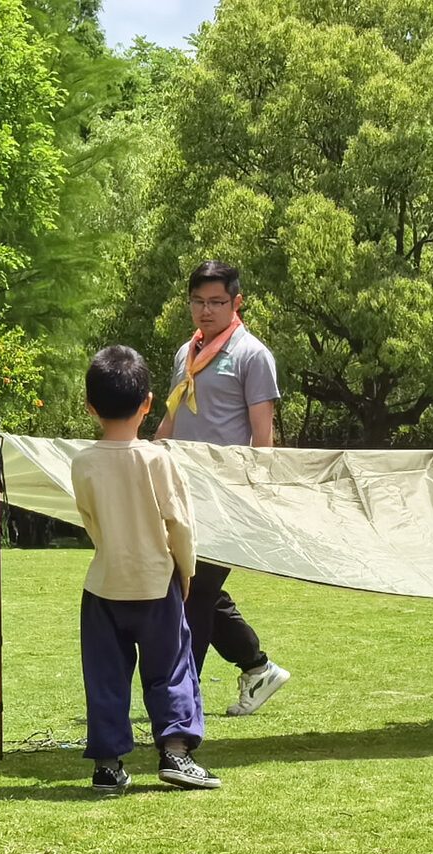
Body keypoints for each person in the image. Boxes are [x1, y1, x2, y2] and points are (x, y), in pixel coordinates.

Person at [71, 346, 219, 793]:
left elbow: (90, 520)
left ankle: (108, 764)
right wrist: (186, 570)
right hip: (156, 581)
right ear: (148, 403)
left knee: (106, 676)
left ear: (90, 407)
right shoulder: (159, 459)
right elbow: (180, 523)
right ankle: (175, 753)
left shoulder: (82, 462)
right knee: (171, 668)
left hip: (104, 584)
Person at [153, 260, 290, 716]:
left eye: (215, 302)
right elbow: (171, 420)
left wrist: (257, 495)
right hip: (183, 495)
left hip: (227, 497)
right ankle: (257, 666)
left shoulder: (253, 355)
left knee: (197, 592)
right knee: (191, 586)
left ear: (237, 303)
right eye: (197, 302)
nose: (205, 311)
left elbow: (263, 438)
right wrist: (142, 461)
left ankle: (181, 699)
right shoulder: (185, 353)